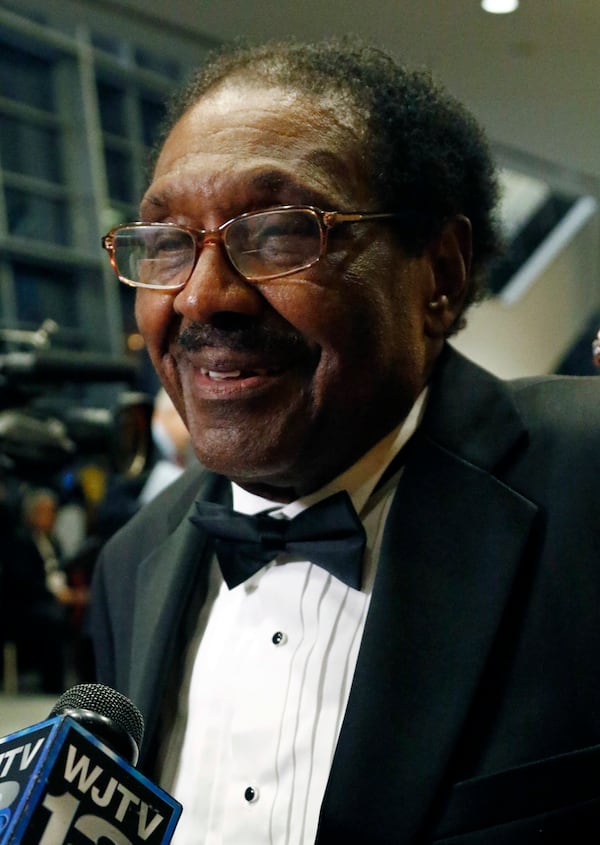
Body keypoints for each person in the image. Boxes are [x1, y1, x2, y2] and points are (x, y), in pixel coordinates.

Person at [90, 37, 600, 843]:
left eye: (281, 232)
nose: (202, 297)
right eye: (166, 244)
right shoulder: (134, 558)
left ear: (438, 273)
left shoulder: (586, 484)